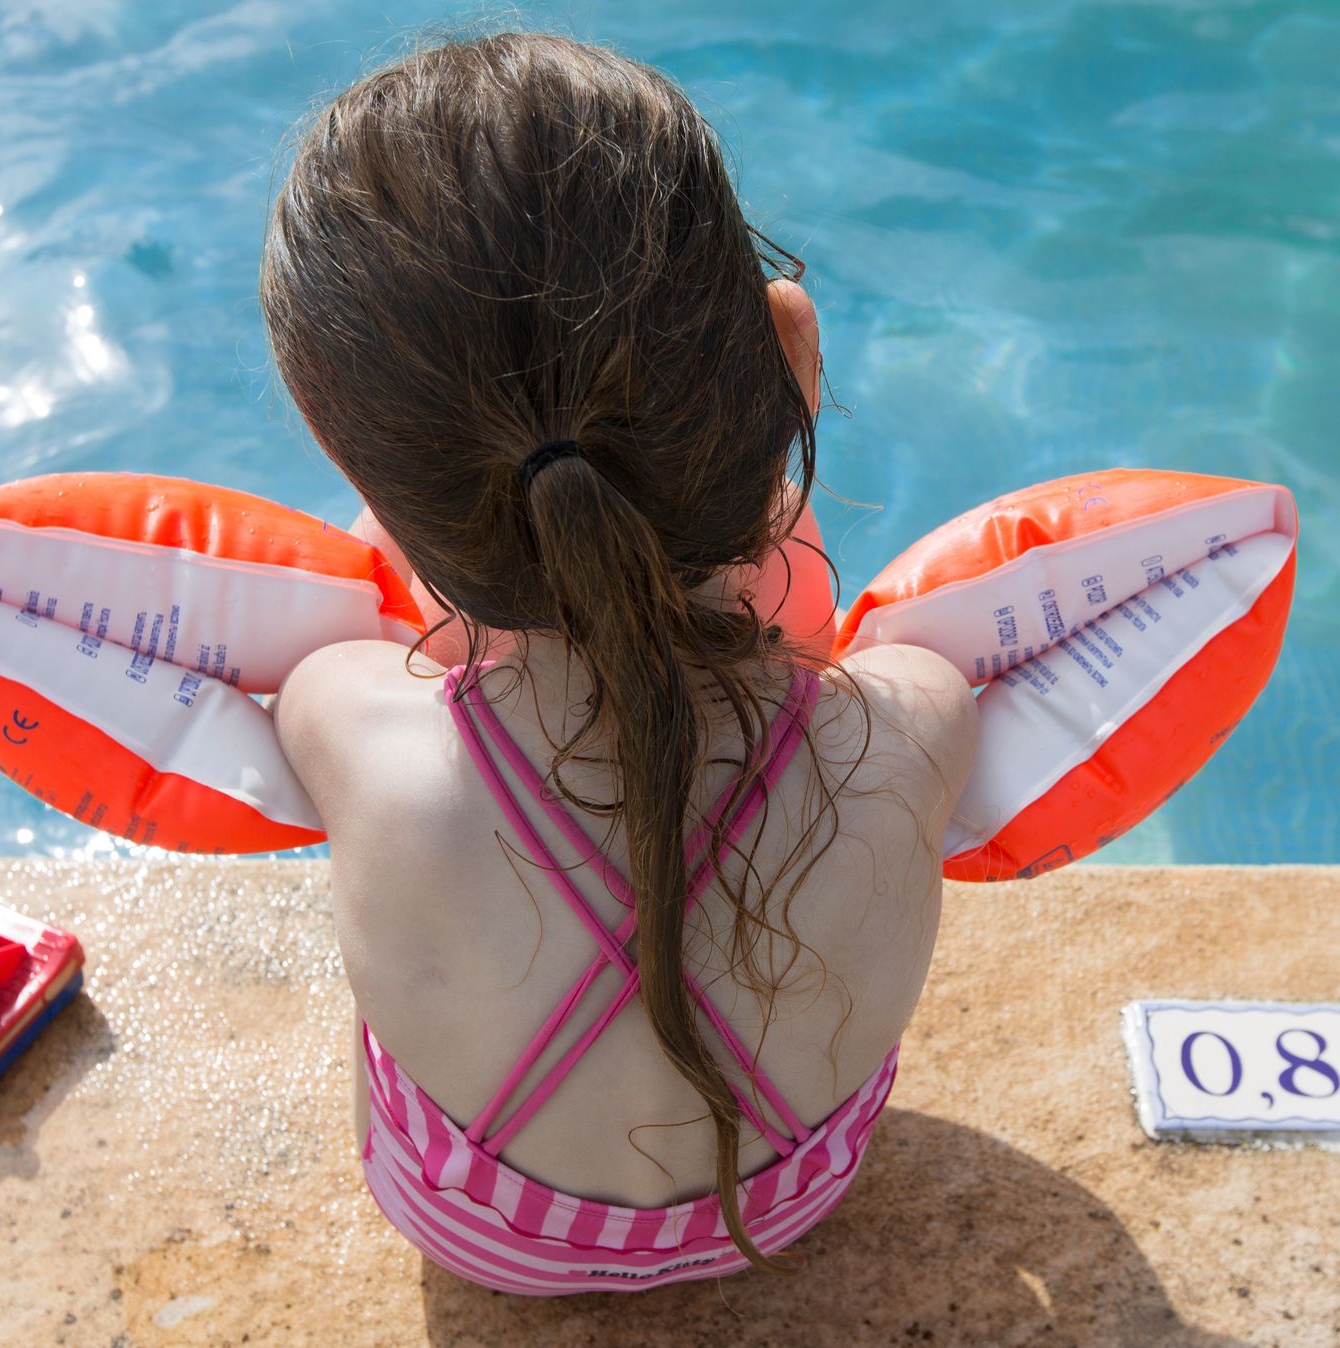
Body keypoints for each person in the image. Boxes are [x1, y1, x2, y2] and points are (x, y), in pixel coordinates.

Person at [260, 31, 979, 1295]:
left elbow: (356, 620)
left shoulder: (350, 726)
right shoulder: (916, 724)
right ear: (789, 350)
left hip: (478, 1239)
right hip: (797, 1203)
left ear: (357, 467)